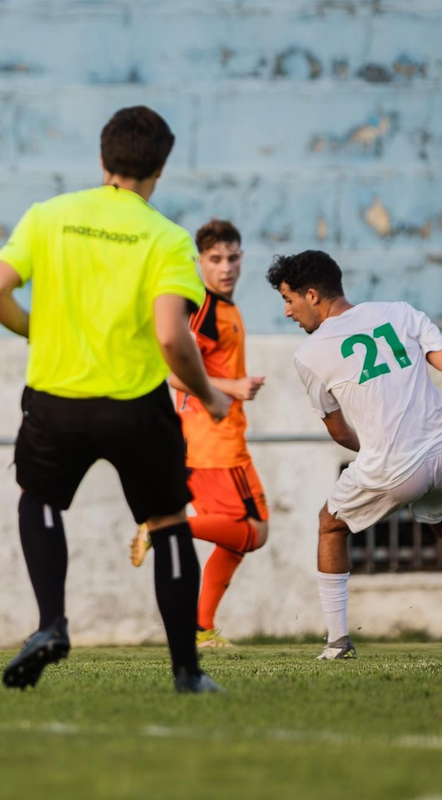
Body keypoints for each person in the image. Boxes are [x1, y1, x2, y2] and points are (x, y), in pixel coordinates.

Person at [0, 106, 232, 694]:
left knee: (39, 499)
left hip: (55, 399)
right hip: (136, 406)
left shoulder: (49, 216)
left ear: (102, 158)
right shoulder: (167, 239)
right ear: (160, 169)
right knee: (169, 523)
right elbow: (172, 336)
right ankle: (187, 672)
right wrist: (210, 396)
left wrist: (34, 330)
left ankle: (51, 623)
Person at [268, 250, 442, 660]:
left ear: (312, 295)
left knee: (330, 525)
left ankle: (337, 642)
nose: (288, 311)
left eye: (288, 299)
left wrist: (382, 449)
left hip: (393, 465)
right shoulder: (400, 312)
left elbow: (338, 430)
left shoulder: (308, 355)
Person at [130, 219, 269, 650]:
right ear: (200, 262)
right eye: (215, 259)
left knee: (233, 543)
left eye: (232, 257)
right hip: (216, 442)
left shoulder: (224, 306)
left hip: (209, 440)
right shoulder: (203, 308)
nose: (225, 267)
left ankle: (201, 629)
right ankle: (164, 525)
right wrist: (232, 388)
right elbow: (171, 372)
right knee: (252, 531)